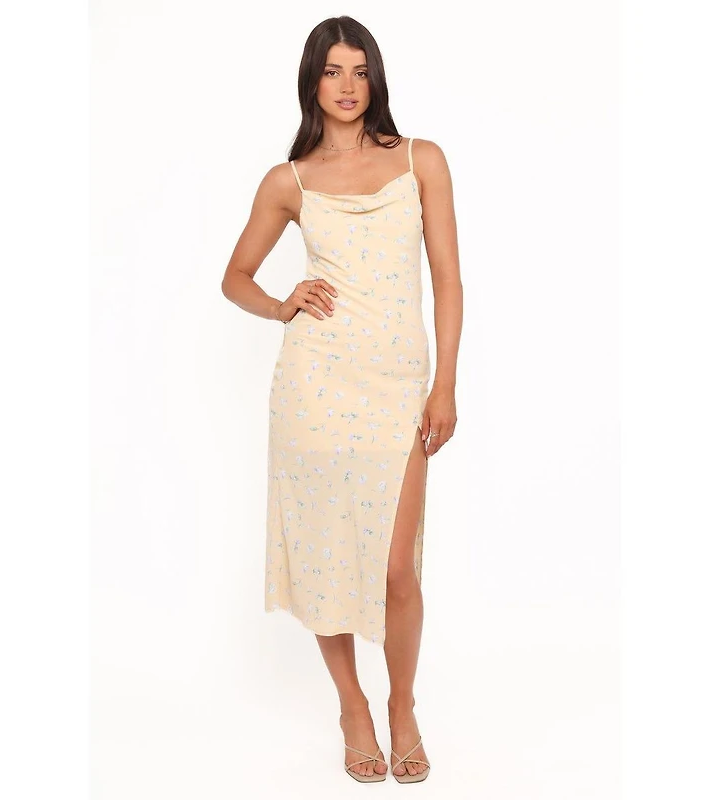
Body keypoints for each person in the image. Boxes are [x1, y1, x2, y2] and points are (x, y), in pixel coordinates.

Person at [221, 15, 462, 784]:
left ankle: (402, 704)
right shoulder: (288, 181)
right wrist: (280, 305)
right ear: (312, 81)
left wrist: (445, 384)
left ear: (375, 78)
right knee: (327, 561)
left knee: (395, 571)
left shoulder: (421, 160)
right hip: (315, 390)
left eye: (360, 70)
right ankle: (352, 706)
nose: (348, 85)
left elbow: (449, 280)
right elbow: (234, 277)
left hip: (398, 390)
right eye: (333, 71)